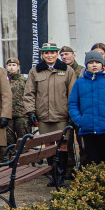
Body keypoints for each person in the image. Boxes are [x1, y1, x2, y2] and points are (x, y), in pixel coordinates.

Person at [23, 42, 77, 179]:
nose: (49, 55)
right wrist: (31, 112)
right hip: (44, 116)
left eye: (52, 52)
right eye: (46, 53)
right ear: (42, 55)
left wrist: (73, 113)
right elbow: (29, 93)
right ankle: (53, 175)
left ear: (56, 54)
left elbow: (73, 94)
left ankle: (61, 175)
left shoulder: (67, 71)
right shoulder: (34, 71)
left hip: (62, 116)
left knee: (63, 144)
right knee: (48, 146)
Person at [69, 49, 105, 165]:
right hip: (88, 130)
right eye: (91, 62)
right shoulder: (79, 83)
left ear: (102, 63)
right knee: (92, 163)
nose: (94, 65)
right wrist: (80, 120)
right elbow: (73, 104)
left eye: (97, 62)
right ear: (86, 65)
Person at [5, 58, 31, 149]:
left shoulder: (25, 80)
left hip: (22, 115)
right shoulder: (4, 81)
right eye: (9, 65)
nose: (11, 68)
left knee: (23, 141)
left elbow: (30, 96)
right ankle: (12, 161)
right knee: (9, 142)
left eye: (14, 65)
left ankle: (24, 160)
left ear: (18, 67)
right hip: (8, 115)